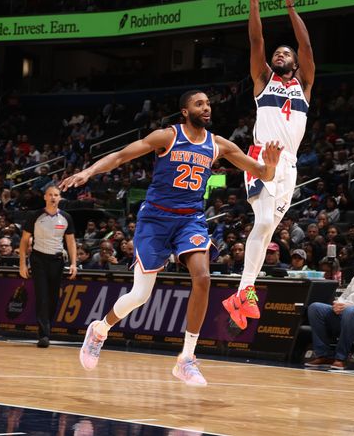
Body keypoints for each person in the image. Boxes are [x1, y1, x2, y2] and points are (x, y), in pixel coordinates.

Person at [60, 90, 281, 387]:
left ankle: (186, 359)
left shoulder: (218, 144)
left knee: (203, 278)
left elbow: (261, 173)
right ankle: (99, 330)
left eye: (208, 103)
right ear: (185, 112)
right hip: (155, 220)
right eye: (199, 104)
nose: (206, 107)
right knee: (140, 295)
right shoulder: (167, 136)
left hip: (190, 220)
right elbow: (122, 155)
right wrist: (88, 172)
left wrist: (272, 165)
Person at [223, 0, 315, 331]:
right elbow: (256, 39)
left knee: (268, 229)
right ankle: (243, 291)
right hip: (261, 157)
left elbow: (306, 47)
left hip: (290, 165)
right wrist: (255, 2)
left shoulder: (305, 85)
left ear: (294, 62)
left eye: (285, 52)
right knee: (261, 222)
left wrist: (291, 8)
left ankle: (243, 293)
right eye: (277, 53)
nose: (280, 54)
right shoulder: (263, 81)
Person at [19, 185, 78, 348]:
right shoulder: (35, 216)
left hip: (57, 261)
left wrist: (74, 263)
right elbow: (24, 240)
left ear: (60, 198)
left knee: (53, 298)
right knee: (42, 296)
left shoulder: (66, 217)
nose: (53, 197)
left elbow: (71, 242)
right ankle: (44, 334)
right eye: (50, 195)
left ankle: (47, 327)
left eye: (56, 195)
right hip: (38, 259)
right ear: (45, 197)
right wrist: (23, 263)